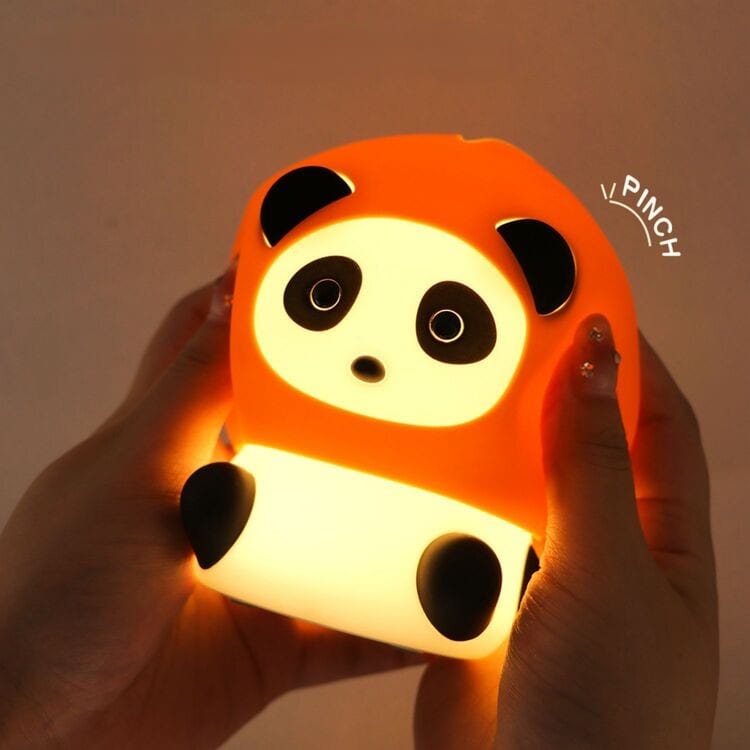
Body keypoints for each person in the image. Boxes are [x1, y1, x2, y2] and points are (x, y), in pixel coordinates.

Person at [0, 261, 718, 749]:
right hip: (284, 498)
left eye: (445, 326)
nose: (373, 352)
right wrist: (30, 699)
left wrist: (31, 700)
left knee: (474, 577)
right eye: (325, 296)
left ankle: (459, 579)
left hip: (453, 538)